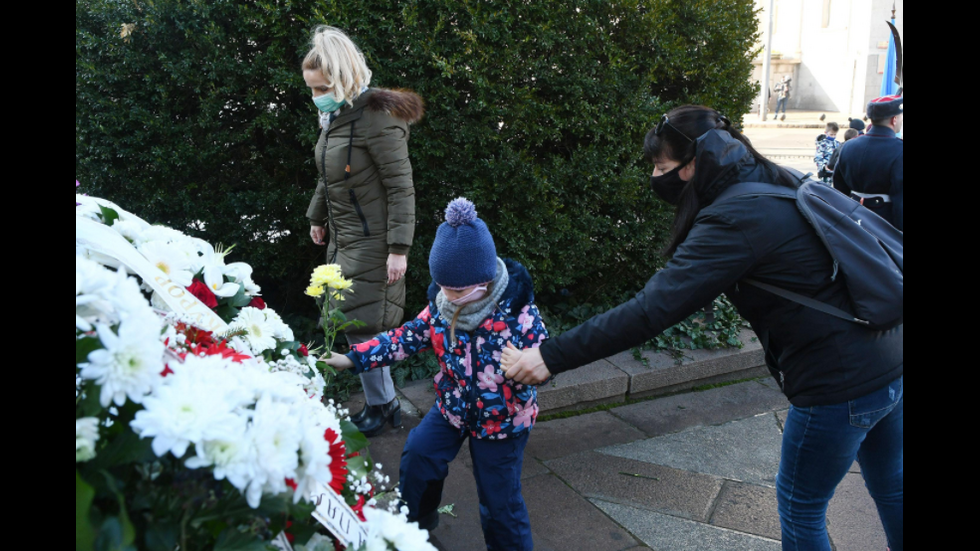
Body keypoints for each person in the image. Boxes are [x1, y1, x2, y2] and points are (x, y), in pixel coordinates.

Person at [502, 105, 903, 551]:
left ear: (693, 164)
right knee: (893, 486)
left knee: (801, 505)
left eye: (661, 166)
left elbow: (652, 310)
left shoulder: (734, 217)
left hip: (839, 381)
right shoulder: (771, 180)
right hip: (888, 358)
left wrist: (549, 356)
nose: (656, 177)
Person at [322, 198, 547, 551]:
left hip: (502, 422)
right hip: (453, 408)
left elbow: (546, 360)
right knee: (419, 455)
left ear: (483, 282)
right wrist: (353, 359)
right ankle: (418, 521)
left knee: (499, 502)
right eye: (442, 287)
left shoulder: (518, 314)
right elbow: (406, 337)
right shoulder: (443, 306)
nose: (446, 296)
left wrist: (529, 363)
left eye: (455, 290)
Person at [302, 26, 423, 437]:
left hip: (373, 241)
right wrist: (317, 217)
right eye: (312, 87)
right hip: (345, 237)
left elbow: (400, 186)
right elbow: (328, 175)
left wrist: (398, 248)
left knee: (364, 326)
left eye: (321, 86)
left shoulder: (376, 118)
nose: (316, 94)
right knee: (357, 325)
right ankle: (383, 403)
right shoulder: (335, 116)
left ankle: (381, 404)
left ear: (342, 78)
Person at [834, 96, 904, 231]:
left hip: (851, 219)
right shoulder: (899, 150)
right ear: (894, 119)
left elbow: (838, 189)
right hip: (885, 224)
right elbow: (900, 199)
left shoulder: (848, 146)